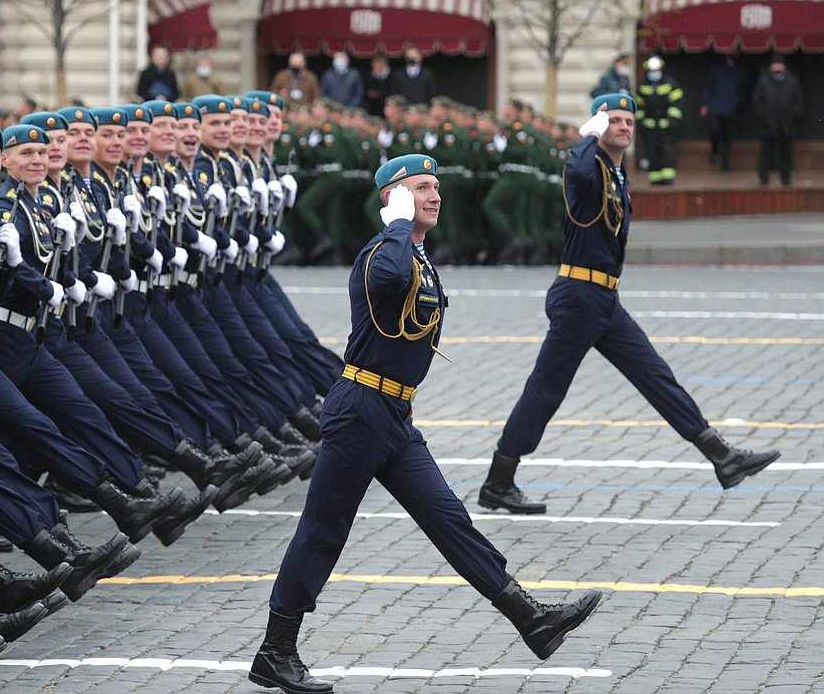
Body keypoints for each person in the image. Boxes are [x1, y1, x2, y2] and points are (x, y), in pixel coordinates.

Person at [248, 153, 603, 694]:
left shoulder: (415, 253)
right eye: (421, 188)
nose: (435, 196)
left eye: (436, 187)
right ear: (394, 197)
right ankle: (276, 650)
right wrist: (394, 221)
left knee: (448, 518)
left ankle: (529, 615)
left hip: (393, 414)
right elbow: (389, 279)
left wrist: (403, 227)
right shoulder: (381, 254)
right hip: (359, 408)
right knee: (324, 531)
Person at [478, 94, 783, 516]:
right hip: (578, 297)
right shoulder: (590, 167)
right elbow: (578, 172)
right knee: (546, 390)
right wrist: (587, 135)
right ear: (600, 127)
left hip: (603, 299)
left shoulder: (619, 175)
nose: (623, 127)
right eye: (614, 121)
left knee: (656, 376)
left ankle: (722, 457)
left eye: (628, 121)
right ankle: (498, 481)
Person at [752, 56, 803, 187]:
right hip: (767, 124)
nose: (777, 68)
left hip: (786, 124)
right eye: (775, 64)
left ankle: (786, 179)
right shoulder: (763, 81)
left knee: (786, 153)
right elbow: (757, 101)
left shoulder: (792, 81)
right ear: (771, 67)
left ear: (784, 67)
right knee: (766, 153)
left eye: (779, 64)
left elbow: (798, 102)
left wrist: (792, 116)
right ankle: (763, 179)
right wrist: (764, 116)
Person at [635, 55, 683, 186]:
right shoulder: (642, 86)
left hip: (667, 127)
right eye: (652, 71)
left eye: (656, 70)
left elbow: (677, 104)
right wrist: (642, 122)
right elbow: (639, 107)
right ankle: (655, 179)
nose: (654, 73)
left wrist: (672, 121)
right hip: (650, 128)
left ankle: (668, 178)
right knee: (652, 153)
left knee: (668, 151)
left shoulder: (670, 84)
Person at [701, 55, 742, 171]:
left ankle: (725, 163)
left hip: (730, 108)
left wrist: (736, 103)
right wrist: (705, 104)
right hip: (716, 107)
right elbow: (709, 87)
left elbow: (741, 90)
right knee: (715, 131)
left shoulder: (738, 71)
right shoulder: (716, 69)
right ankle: (715, 152)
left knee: (727, 136)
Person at [362, 54, 404, 118]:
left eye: (380, 65)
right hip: (372, 109)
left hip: (389, 108)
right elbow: (365, 92)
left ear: (384, 65)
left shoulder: (393, 76)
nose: (377, 67)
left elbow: (394, 92)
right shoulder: (368, 77)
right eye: (375, 65)